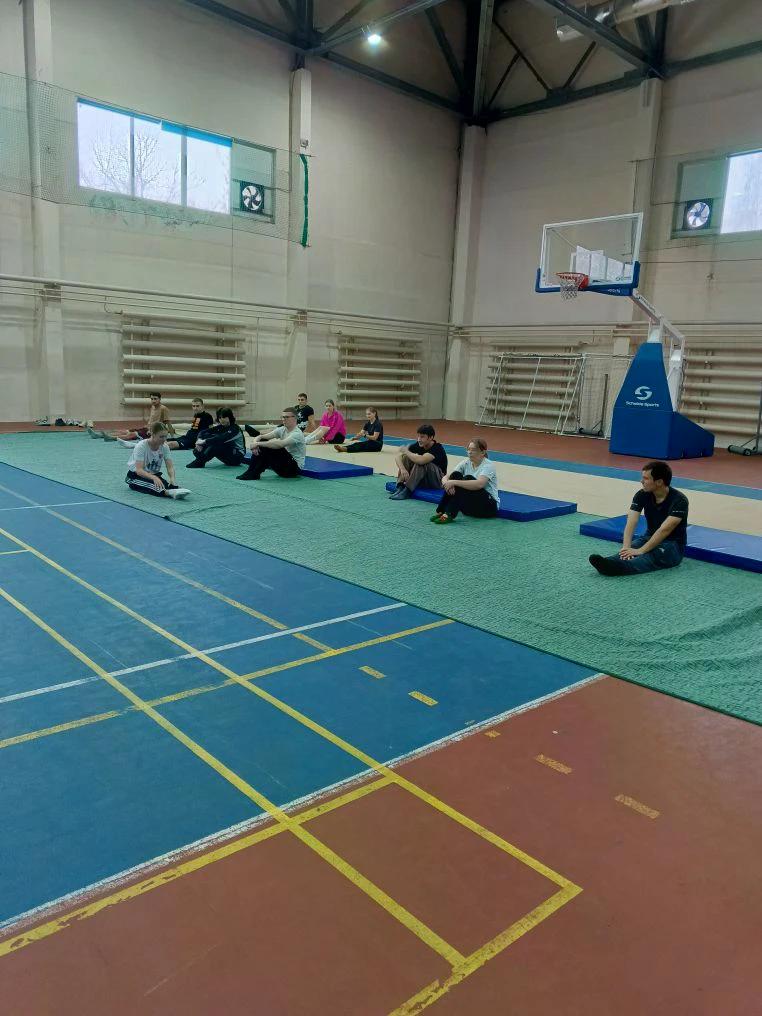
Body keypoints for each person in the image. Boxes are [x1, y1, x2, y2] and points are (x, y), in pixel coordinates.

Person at [589, 460, 689, 576]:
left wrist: (641, 550)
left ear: (659, 482)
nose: (641, 481)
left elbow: (664, 529)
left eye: (646, 478)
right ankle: (609, 562)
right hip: (648, 537)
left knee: (651, 556)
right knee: (630, 550)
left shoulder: (679, 500)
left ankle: (620, 568)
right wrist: (626, 548)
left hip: (673, 545)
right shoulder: (642, 494)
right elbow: (632, 521)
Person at [432, 438, 499, 524]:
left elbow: (480, 484)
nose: (470, 452)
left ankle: (449, 514)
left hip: (488, 508)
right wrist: (447, 483)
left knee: (467, 478)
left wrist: (453, 482)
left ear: (482, 452)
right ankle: (441, 511)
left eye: (473, 450)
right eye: (468, 449)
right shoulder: (466, 462)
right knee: (455, 475)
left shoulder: (488, 465)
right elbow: (447, 477)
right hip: (470, 508)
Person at [237, 407, 306, 480]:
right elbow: (261, 436)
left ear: (295, 418)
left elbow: (281, 444)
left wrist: (258, 444)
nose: (284, 419)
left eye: (287, 417)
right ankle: (251, 471)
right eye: (282, 417)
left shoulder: (297, 433)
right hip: (282, 468)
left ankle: (254, 473)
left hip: (293, 470)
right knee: (264, 442)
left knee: (270, 446)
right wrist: (255, 444)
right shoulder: (282, 429)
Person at [125, 422, 190, 499]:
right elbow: (139, 470)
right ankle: (168, 493)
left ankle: (169, 489)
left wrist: (172, 479)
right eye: (161, 437)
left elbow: (170, 467)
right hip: (135, 476)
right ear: (153, 434)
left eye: (165, 436)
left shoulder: (165, 447)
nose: (164, 439)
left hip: (152, 475)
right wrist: (154, 478)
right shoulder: (141, 446)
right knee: (155, 487)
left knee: (165, 485)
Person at [388, 424, 448, 500]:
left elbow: (421, 460)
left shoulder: (437, 448)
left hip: (438, 482)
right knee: (406, 458)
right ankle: (400, 486)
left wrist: (406, 451)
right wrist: (403, 469)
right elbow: (398, 457)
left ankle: (407, 491)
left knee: (421, 463)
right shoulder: (419, 444)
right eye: (418, 436)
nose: (419, 439)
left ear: (431, 437)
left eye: (422, 437)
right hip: (424, 480)